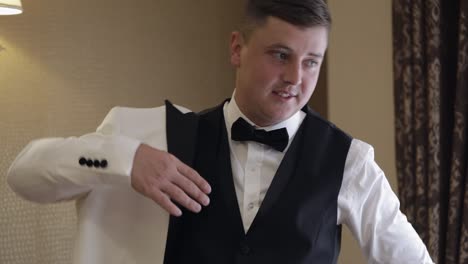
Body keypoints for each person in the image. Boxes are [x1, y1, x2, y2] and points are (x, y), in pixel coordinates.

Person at [7, 0, 434, 263]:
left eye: (311, 62)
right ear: (237, 48)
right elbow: (23, 174)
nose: (294, 78)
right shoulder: (150, 135)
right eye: (280, 54)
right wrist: (124, 158)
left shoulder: (349, 160)